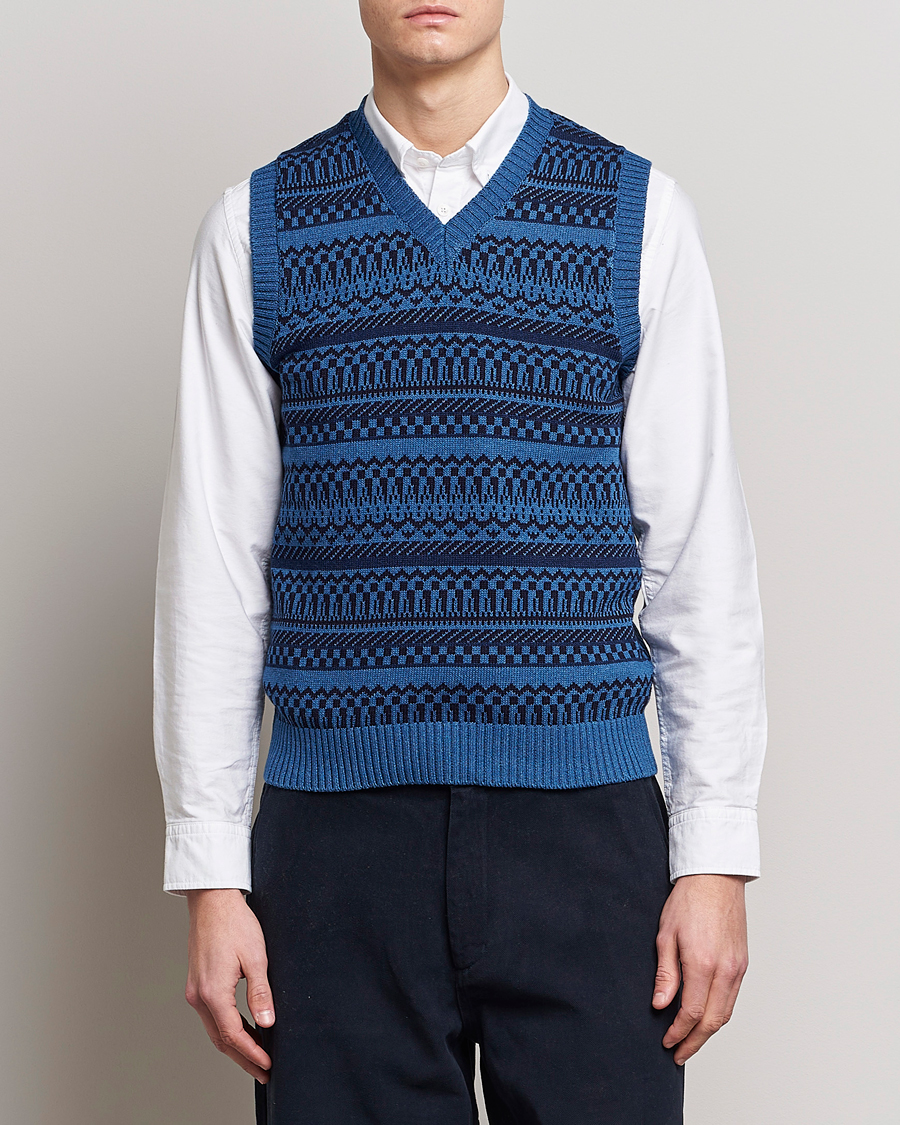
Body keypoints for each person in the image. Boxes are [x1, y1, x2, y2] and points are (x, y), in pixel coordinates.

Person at [153, 1, 767, 1120]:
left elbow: (697, 562)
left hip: (587, 837)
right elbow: (214, 570)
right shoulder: (256, 227)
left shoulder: (635, 213)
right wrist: (209, 874)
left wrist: (715, 854)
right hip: (335, 847)